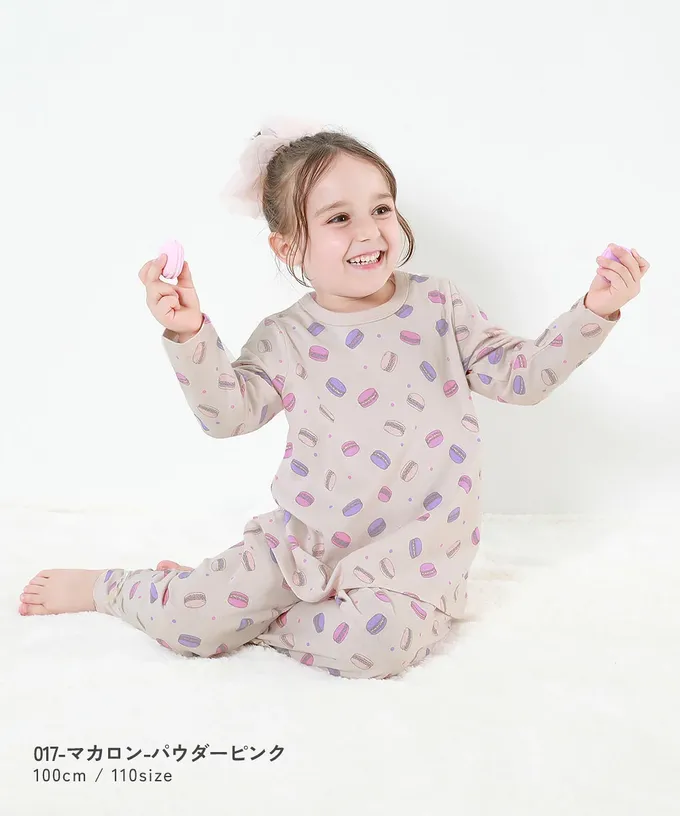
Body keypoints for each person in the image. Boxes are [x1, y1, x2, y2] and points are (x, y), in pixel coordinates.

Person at [17, 117, 650, 679]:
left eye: (381, 208)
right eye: (339, 218)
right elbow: (228, 416)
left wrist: (595, 310)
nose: (370, 231)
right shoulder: (287, 336)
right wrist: (188, 334)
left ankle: (248, 618)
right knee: (191, 625)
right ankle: (117, 589)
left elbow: (524, 378)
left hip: (411, 565)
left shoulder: (440, 305)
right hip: (301, 547)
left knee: (376, 648)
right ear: (288, 245)